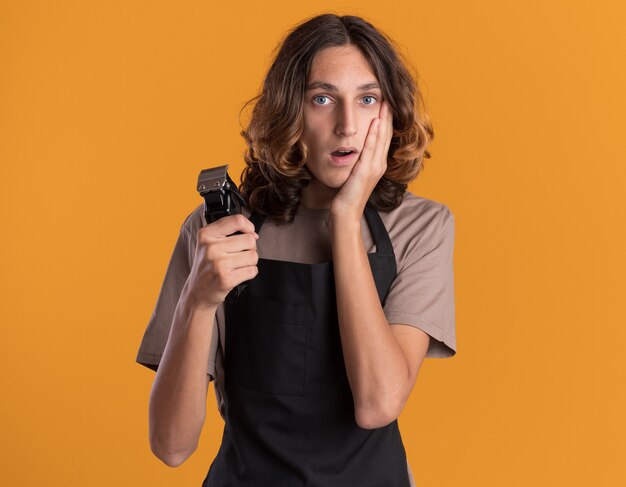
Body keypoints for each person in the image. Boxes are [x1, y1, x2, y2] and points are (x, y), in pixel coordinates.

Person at [136, 13, 456, 487]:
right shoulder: (219, 232)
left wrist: (345, 219)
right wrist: (198, 302)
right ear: (291, 112)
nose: (347, 126)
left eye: (367, 99)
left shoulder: (421, 226)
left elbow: (377, 404)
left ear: (390, 114)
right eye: (322, 99)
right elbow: (171, 445)